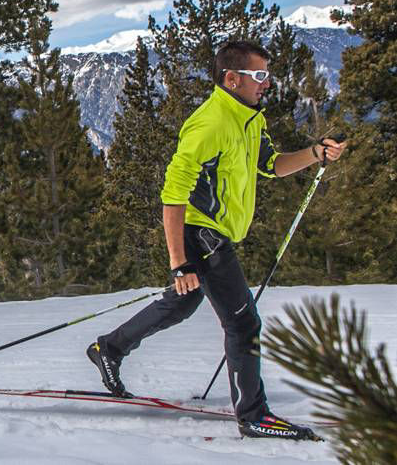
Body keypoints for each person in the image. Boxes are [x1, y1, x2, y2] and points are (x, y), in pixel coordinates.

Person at [86, 40, 344, 440]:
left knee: (181, 304)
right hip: (199, 232)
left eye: (268, 76)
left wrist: (315, 153)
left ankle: (109, 349)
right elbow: (173, 195)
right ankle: (254, 416)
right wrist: (179, 262)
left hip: (215, 231)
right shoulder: (209, 125)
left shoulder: (249, 117)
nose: (267, 84)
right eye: (259, 76)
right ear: (231, 78)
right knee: (243, 323)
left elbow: (270, 165)